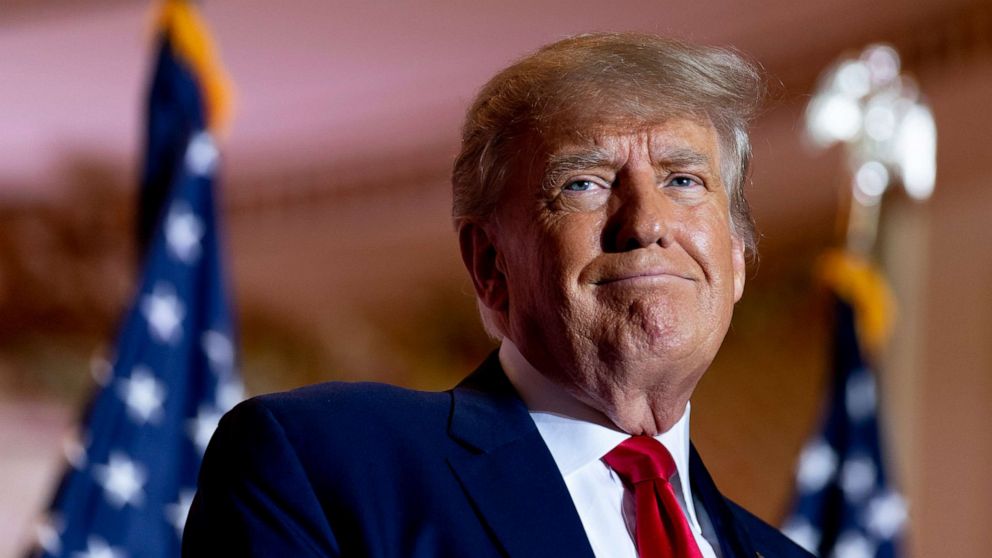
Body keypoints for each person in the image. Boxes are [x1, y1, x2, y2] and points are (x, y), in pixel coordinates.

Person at [183, 33, 813, 557]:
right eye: (585, 184)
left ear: (734, 260)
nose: (646, 223)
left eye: (683, 179)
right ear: (489, 264)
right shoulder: (325, 465)